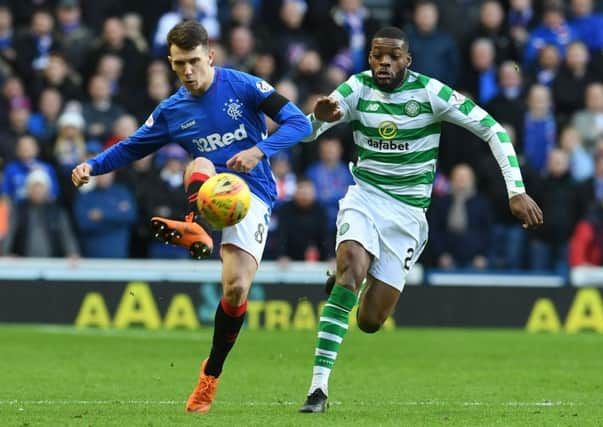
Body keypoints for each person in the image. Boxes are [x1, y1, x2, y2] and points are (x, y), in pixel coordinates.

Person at [298, 26, 543, 413]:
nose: (384, 62)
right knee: (350, 272)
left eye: (393, 56)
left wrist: (516, 190)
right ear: (370, 58)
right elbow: (307, 134)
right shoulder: (355, 88)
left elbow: (494, 130)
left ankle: (350, 273)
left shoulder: (432, 93)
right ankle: (318, 389)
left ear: (407, 60)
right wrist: (316, 118)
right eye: (378, 55)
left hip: (408, 216)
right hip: (365, 197)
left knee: (370, 321)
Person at [71, 20, 311, 413]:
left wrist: (259, 151)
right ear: (170, 61)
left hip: (253, 196)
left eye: (194, 61)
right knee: (200, 160)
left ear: (210, 56)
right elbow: (132, 148)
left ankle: (210, 374)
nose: (187, 71)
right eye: (179, 63)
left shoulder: (244, 86)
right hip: (209, 189)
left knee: (235, 290)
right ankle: (195, 225)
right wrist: (92, 166)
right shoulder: (172, 110)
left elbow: (299, 123)